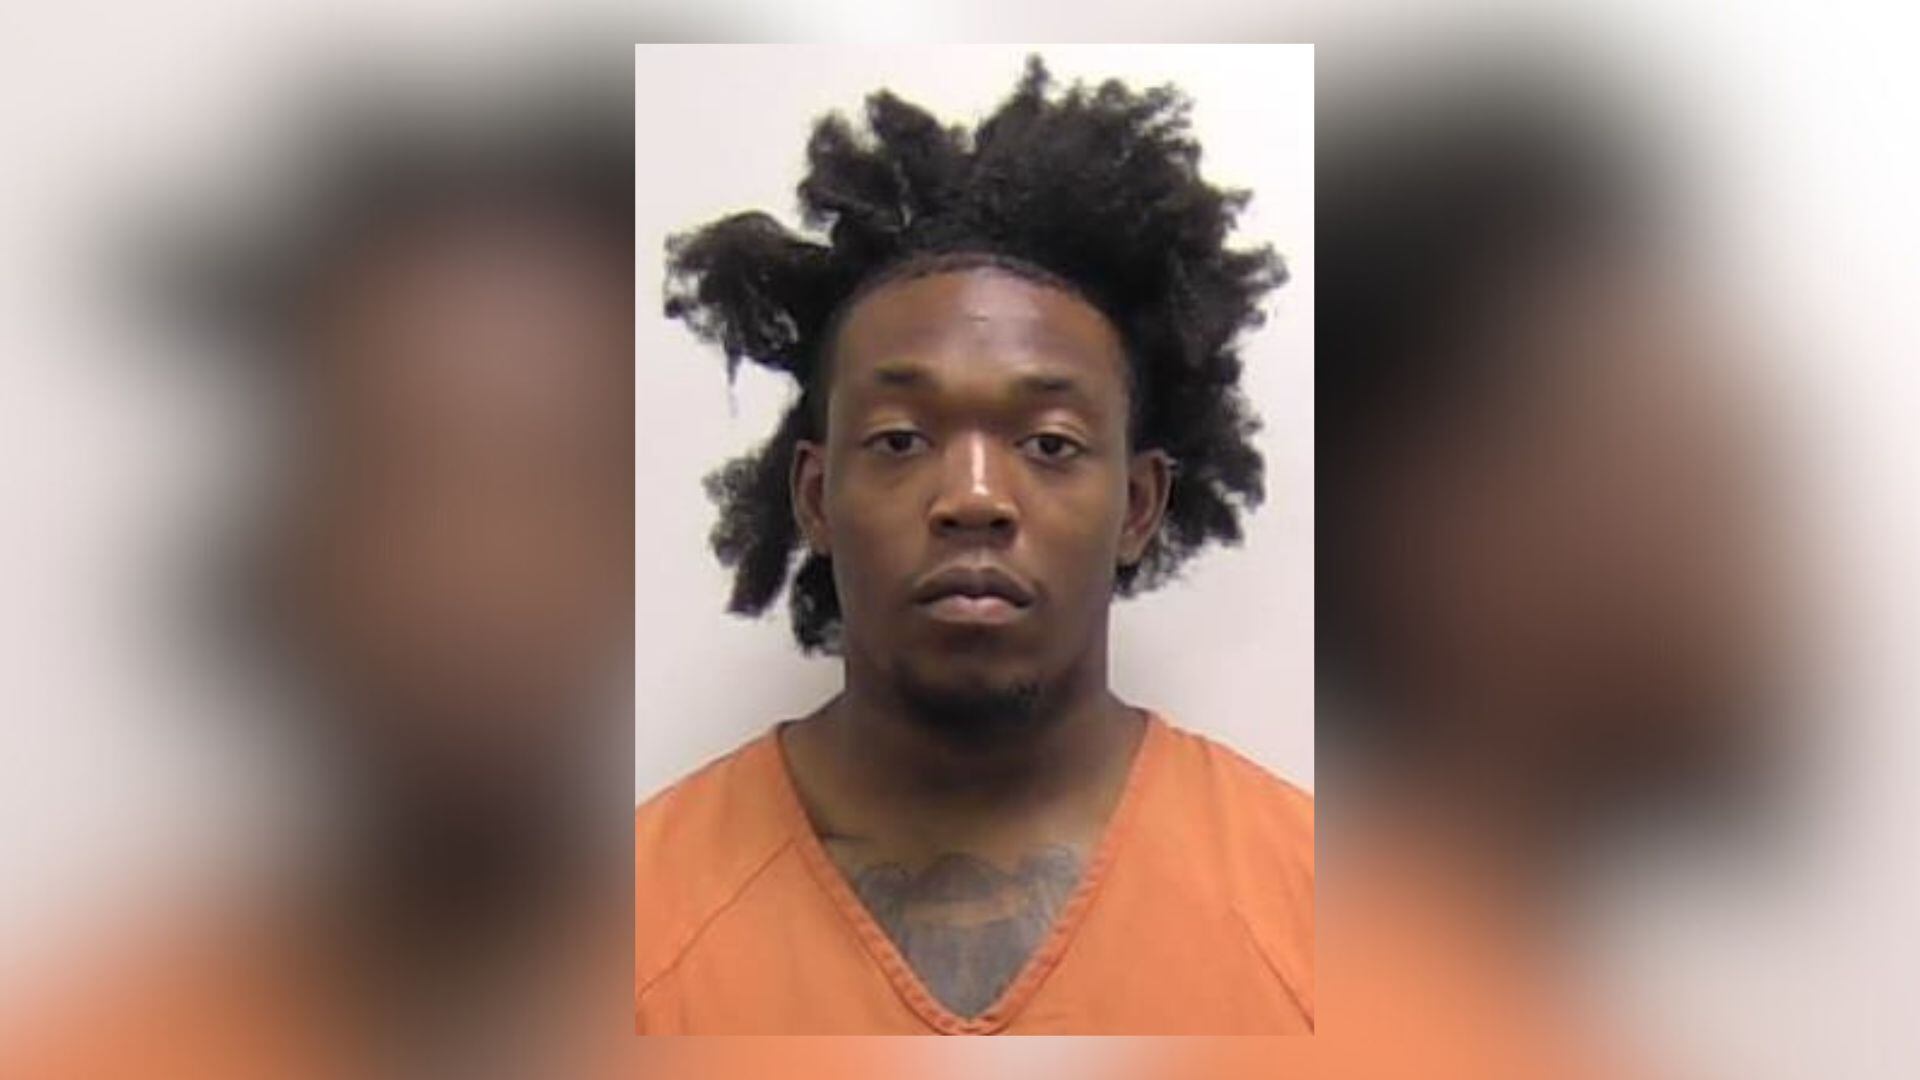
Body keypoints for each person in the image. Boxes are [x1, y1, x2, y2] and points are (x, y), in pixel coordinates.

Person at [633, 59, 1313, 1035]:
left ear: (1137, 506)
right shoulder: (630, 923)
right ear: (817, 498)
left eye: (1050, 444)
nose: (975, 497)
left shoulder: (1324, 914)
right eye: (900, 440)